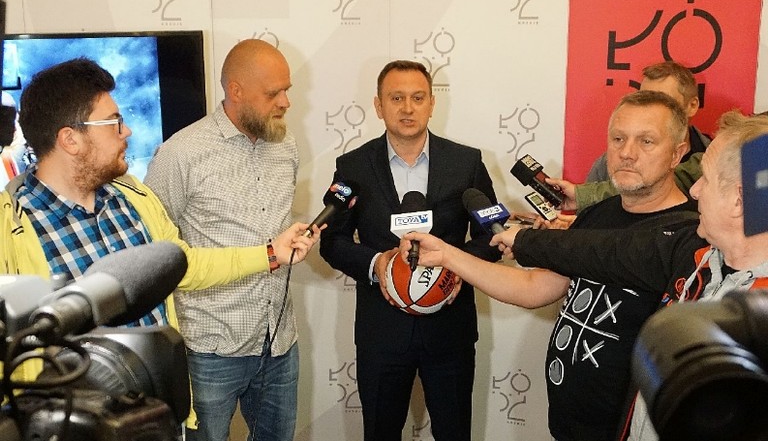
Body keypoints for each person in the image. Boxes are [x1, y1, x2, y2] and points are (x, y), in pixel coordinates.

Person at [0, 57, 319, 425]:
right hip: (70, 422)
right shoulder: (10, 228)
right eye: (114, 122)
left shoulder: (133, 199)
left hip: (155, 413)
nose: (127, 131)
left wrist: (271, 253)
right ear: (70, 139)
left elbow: (184, 264)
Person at [400, 90, 700, 441]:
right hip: (567, 423)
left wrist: (530, 243)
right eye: (618, 139)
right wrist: (447, 255)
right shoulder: (598, 213)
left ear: (677, 153)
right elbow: (534, 288)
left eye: (646, 141)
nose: (627, 153)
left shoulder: (687, 235)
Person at [319, 60, 501, 441]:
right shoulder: (353, 166)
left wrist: (458, 267)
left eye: (418, 98)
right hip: (381, 334)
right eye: (396, 98)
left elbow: (493, 235)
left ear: (432, 103)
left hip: (450, 332)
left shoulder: (466, 163)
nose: (407, 108)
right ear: (378, 105)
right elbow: (332, 242)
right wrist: (377, 264)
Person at [143, 39, 302, 441]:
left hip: (279, 342)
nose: (285, 102)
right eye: (273, 93)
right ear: (236, 90)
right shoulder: (180, 154)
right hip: (208, 351)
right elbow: (155, 251)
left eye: (286, 90)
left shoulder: (286, 145)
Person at [586, 60, 710, 183]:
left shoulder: (713, 157)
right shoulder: (607, 165)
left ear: (692, 106)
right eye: (644, 100)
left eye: (665, 102)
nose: (651, 111)